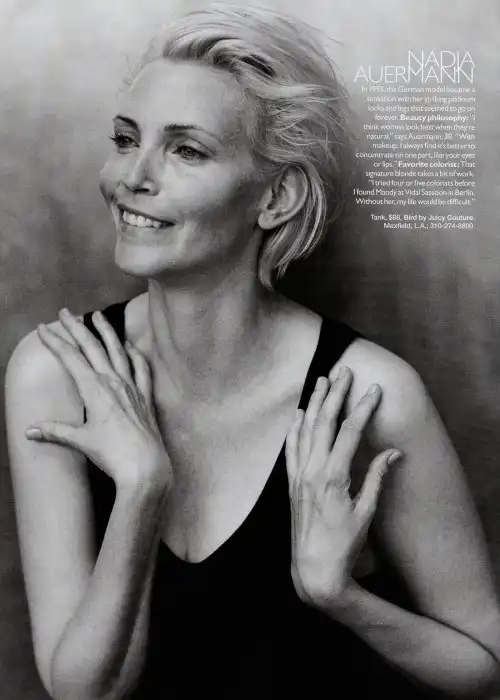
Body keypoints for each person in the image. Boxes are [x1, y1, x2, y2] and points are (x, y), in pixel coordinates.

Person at [5, 5, 500, 699]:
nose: (132, 177)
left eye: (187, 150)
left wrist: (340, 597)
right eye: (126, 139)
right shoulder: (53, 374)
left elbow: (486, 666)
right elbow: (84, 691)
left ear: (277, 196)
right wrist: (141, 487)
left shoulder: (369, 395)